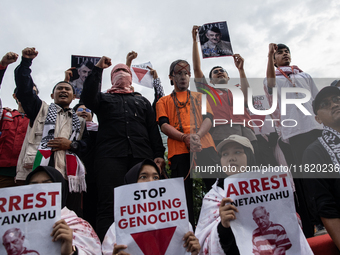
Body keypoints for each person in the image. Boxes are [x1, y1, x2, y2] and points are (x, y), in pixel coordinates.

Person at [81, 55, 165, 241]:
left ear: (130, 76)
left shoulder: (141, 101)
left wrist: (158, 154)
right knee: (109, 205)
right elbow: (87, 97)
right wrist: (98, 69)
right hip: (109, 158)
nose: (121, 74)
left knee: (145, 204)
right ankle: (108, 247)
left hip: (141, 157)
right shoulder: (102, 98)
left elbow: (152, 129)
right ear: (110, 78)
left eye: (124, 71)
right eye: (116, 72)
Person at [14, 47, 88, 216]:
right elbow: (25, 89)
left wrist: (71, 144)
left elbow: (87, 145)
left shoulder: (81, 122)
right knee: (34, 218)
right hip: (35, 175)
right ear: (52, 94)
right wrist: (26, 62)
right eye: (59, 88)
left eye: (67, 89)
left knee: (68, 219)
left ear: (73, 96)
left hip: (68, 178)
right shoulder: (39, 109)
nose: (63, 90)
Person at [156, 59, 218, 227]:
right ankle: (188, 237)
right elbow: (163, 124)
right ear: (171, 77)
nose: (183, 76)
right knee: (182, 198)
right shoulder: (163, 101)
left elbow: (209, 119)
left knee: (217, 190)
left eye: (186, 73)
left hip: (205, 145)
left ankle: (221, 229)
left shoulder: (201, 97)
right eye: (179, 73)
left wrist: (196, 136)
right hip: (179, 151)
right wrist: (184, 138)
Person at [102, 159, 201, 255]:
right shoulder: (116, 229)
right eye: (143, 177)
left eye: (155, 177)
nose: (151, 181)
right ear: (130, 183)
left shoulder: (181, 223)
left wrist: (194, 252)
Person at [192, 26, 259, 156]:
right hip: (221, 133)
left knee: (251, 170)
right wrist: (195, 42)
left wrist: (241, 70)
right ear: (210, 81)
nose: (220, 72)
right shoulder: (207, 91)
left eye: (222, 71)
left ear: (228, 77)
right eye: (215, 72)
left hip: (247, 132)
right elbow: (196, 69)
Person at [25, 165, 101, 255]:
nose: (40, 190)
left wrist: (70, 251)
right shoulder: (16, 225)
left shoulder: (78, 226)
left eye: (47, 184)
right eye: (33, 186)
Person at [302, 86, 340, 250]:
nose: (334, 105)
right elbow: (325, 206)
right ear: (317, 119)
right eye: (325, 104)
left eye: (337, 99)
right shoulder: (313, 153)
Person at [73, 102, 98, 227]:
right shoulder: (68, 130)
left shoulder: (99, 130)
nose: (84, 111)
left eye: (87, 109)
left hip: (94, 174)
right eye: (80, 109)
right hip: (72, 175)